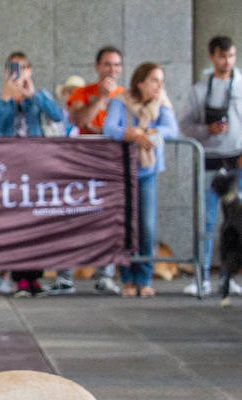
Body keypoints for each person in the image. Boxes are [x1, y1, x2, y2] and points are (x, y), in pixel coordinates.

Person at [0, 52, 64, 296]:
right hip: (11, 166)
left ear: (30, 71)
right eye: (13, 68)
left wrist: (34, 95)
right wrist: (7, 97)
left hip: (37, 165)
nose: (18, 73)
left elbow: (57, 115)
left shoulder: (40, 96)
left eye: (23, 68)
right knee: (15, 223)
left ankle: (35, 278)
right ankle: (19, 278)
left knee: (37, 223)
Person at [103, 64, 178, 297]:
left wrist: (149, 134)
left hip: (148, 171)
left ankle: (144, 278)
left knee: (146, 226)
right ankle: (127, 278)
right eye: (155, 80)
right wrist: (132, 133)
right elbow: (110, 128)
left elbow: (171, 129)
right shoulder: (120, 101)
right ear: (141, 82)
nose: (159, 85)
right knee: (126, 225)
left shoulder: (161, 103)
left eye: (161, 80)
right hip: (124, 171)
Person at [178, 35, 242, 297]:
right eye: (222, 56)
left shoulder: (240, 84)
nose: (227, 61)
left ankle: (230, 275)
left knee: (237, 223)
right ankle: (202, 276)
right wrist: (207, 129)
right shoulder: (199, 90)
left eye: (231, 56)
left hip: (238, 159)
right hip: (211, 160)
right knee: (207, 221)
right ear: (212, 57)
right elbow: (184, 126)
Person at [66, 47, 126, 295]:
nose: (111, 69)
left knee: (110, 220)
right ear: (97, 66)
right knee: (72, 217)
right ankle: (65, 274)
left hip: (113, 168)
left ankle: (106, 275)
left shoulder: (125, 95)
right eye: (107, 64)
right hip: (84, 165)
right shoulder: (83, 93)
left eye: (116, 65)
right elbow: (79, 121)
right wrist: (101, 99)